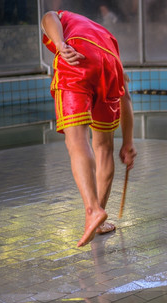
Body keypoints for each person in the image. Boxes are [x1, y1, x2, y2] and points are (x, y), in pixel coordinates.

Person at [41, 10, 137, 247]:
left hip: (77, 59)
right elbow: (125, 97)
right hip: (110, 66)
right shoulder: (106, 38)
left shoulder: (65, 19)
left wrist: (61, 45)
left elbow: (47, 17)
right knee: (104, 147)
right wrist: (128, 142)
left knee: (76, 141)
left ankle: (93, 210)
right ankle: (100, 217)